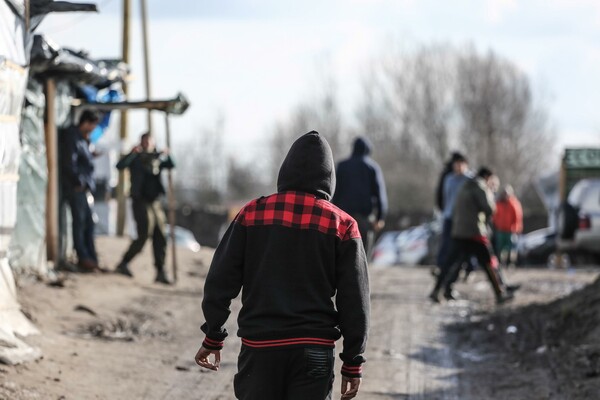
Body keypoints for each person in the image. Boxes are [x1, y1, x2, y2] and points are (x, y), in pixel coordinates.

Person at [195, 131, 370, 400]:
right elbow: (355, 299)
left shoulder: (252, 214)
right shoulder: (343, 226)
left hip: (261, 347)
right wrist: (352, 361)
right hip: (315, 350)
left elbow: (221, 278)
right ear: (329, 179)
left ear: (285, 171)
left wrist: (213, 335)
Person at [429, 167, 514, 304]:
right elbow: (490, 208)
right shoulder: (480, 187)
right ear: (487, 177)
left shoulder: (464, 186)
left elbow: (455, 208)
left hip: (459, 232)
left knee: (451, 262)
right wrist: (491, 193)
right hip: (475, 232)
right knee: (488, 262)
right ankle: (500, 293)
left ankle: (437, 290)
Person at [114, 133, 175, 284]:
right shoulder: (136, 158)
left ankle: (160, 270)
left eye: (149, 141)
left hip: (155, 201)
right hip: (140, 200)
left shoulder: (157, 159)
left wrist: (167, 154)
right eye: (145, 141)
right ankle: (124, 262)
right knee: (144, 233)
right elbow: (120, 165)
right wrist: (131, 153)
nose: (147, 144)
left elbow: (171, 164)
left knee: (161, 234)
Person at [332, 136, 387, 257]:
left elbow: (335, 192)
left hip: (343, 218)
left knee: (343, 254)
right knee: (363, 254)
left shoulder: (342, 166)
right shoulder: (372, 168)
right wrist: (380, 217)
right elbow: (380, 194)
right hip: (365, 219)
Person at [61, 110, 100, 271]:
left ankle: (91, 258)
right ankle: (84, 257)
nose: (92, 129)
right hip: (77, 187)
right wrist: (79, 181)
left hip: (84, 187)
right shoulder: (73, 137)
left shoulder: (83, 139)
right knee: (81, 223)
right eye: (91, 125)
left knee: (88, 223)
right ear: (85, 123)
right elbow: (70, 162)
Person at [436, 153, 470, 268]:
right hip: (449, 216)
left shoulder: (469, 180)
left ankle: (466, 266)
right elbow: (445, 196)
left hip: (463, 219)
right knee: (446, 243)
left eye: (461, 164)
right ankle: (442, 267)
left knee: (465, 246)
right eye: (456, 164)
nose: (458, 166)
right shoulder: (448, 179)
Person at [493, 185, 523, 267]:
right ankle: (501, 263)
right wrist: (497, 225)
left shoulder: (514, 203)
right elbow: (495, 216)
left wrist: (516, 228)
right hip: (500, 230)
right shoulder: (499, 203)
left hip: (511, 230)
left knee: (511, 248)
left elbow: (517, 217)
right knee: (500, 248)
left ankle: (511, 263)